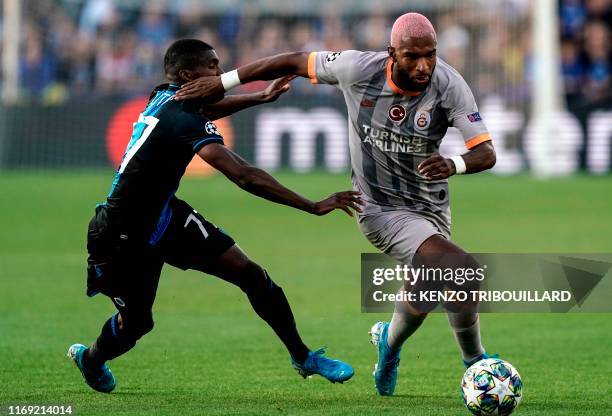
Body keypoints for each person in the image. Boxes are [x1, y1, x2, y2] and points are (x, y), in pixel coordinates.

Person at [175, 12, 498, 396]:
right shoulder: (357, 68)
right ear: (391, 52)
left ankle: (388, 347)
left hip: (431, 207)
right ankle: (477, 365)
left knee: (424, 294)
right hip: (378, 207)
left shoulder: (449, 84)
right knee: (462, 271)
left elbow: (486, 153)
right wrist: (224, 81)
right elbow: (292, 60)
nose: (424, 65)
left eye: (430, 54)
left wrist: (454, 163)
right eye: (412, 56)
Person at [68, 39, 362, 393]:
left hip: (164, 219)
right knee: (136, 324)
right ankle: (91, 360)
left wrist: (258, 97)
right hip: (120, 236)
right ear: (189, 75)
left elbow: (205, 109)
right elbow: (243, 175)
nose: (220, 74)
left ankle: (303, 356)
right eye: (214, 66)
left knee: (252, 275)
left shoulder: (165, 94)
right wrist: (312, 205)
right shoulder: (180, 117)